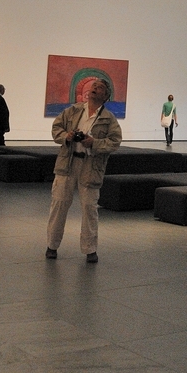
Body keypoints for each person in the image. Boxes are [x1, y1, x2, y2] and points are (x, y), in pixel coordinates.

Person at [45, 78, 121, 263]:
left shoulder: (108, 119)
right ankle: (51, 245)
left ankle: (90, 249)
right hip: (67, 163)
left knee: (89, 208)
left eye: (100, 88)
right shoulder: (73, 111)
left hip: (91, 167)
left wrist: (94, 143)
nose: (95, 89)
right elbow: (56, 128)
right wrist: (67, 136)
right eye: (94, 86)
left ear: (106, 96)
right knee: (59, 204)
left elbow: (114, 141)